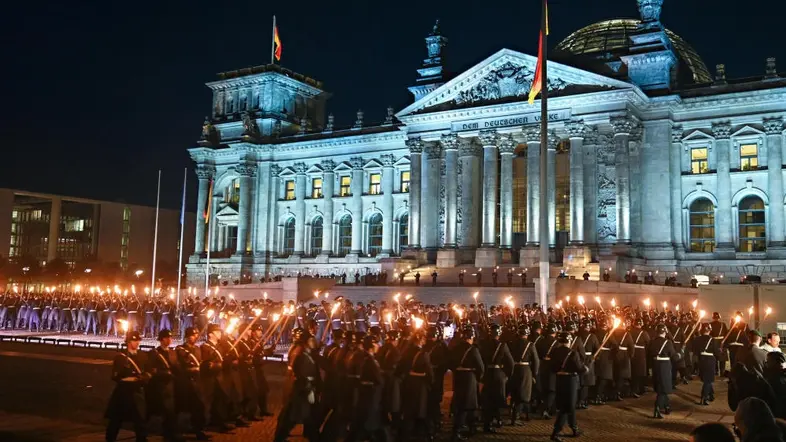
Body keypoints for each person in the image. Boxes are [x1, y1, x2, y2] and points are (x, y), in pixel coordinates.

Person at [274, 329, 321, 442]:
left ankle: (313, 436)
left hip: (302, 388)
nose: (312, 341)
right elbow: (299, 372)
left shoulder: (305, 351)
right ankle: (279, 438)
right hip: (301, 390)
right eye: (310, 340)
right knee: (292, 416)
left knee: (306, 416)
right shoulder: (300, 353)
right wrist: (308, 388)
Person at [105, 330, 151, 442]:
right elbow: (115, 376)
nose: (137, 343)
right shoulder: (121, 357)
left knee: (140, 419)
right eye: (134, 340)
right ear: (129, 342)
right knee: (116, 419)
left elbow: (148, 372)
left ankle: (142, 439)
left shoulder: (142, 356)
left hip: (136, 391)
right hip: (123, 392)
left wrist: (144, 377)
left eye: (138, 340)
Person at [549, 332, 587, 442]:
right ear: (569, 341)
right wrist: (586, 368)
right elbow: (579, 369)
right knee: (567, 407)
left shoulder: (554, 352)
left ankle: (574, 428)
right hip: (570, 382)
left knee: (568, 406)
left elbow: (552, 368)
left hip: (559, 380)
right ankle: (555, 432)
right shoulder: (572, 353)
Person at [449, 325, 484, 442]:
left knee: (464, 404)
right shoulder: (473, 349)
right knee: (465, 405)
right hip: (469, 379)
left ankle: (471, 426)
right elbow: (480, 367)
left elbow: (450, 364)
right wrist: (479, 378)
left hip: (458, 378)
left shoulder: (455, 348)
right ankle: (457, 431)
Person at [175, 327, 209, 440]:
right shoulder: (181, 349)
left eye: (196, 335)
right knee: (181, 408)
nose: (195, 337)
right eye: (193, 335)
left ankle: (198, 430)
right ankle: (177, 431)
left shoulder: (198, 349)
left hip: (197, 383)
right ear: (188, 337)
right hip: (185, 383)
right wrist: (190, 370)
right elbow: (180, 366)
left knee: (198, 407)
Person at [146, 329, 180, 441]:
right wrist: (164, 373)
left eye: (170, 338)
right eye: (167, 338)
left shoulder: (173, 352)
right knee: (158, 411)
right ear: (162, 339)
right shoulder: (155, 353)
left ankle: (169, 434)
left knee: (171, 412)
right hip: (160, 387)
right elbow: (152, 369)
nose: (169, 340)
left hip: (171, 386)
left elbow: (176, 367)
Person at [480, 323, 513, 433]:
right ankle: (495, 420)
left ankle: (489, 421)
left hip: (487, 373)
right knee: (497, 399)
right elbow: (510, 363)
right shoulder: (502, 345)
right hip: (499, 374)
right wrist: (507, 375)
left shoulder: (484, 344)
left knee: (488, 399)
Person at [508, 324, 539, 424]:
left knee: (516, 392)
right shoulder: (530, 345)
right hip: (525, 370)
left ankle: (526, 414)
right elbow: (536, 361)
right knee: (524, 394)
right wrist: (535, 374)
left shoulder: (512, 343)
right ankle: (516, 417)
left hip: (514, 369)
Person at [648, 323, 680, 419]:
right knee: (663, 388)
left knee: (661, 386)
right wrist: (680, 354)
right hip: (664, 366)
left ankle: (667, 406)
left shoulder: (652, 342)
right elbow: (674, 356)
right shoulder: (667, 342)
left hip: (655, 365)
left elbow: (649, 354)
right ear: (665, 332)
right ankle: (657, 408)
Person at [693, 323, 721, 405]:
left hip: (701, 360)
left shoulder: (697, 339)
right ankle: (703, 398)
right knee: (708, 380)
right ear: (709, 330)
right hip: (709, 360)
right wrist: (720, 352)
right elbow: (717, 352)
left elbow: (695, 351)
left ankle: (711, 394)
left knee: (707, 379)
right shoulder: (712, 340)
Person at [765, 352, 786, 419]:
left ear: (775, 362)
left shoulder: (775, 378)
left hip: (777, 415)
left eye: (768, 361)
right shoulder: (781, 375)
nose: (766, 363)